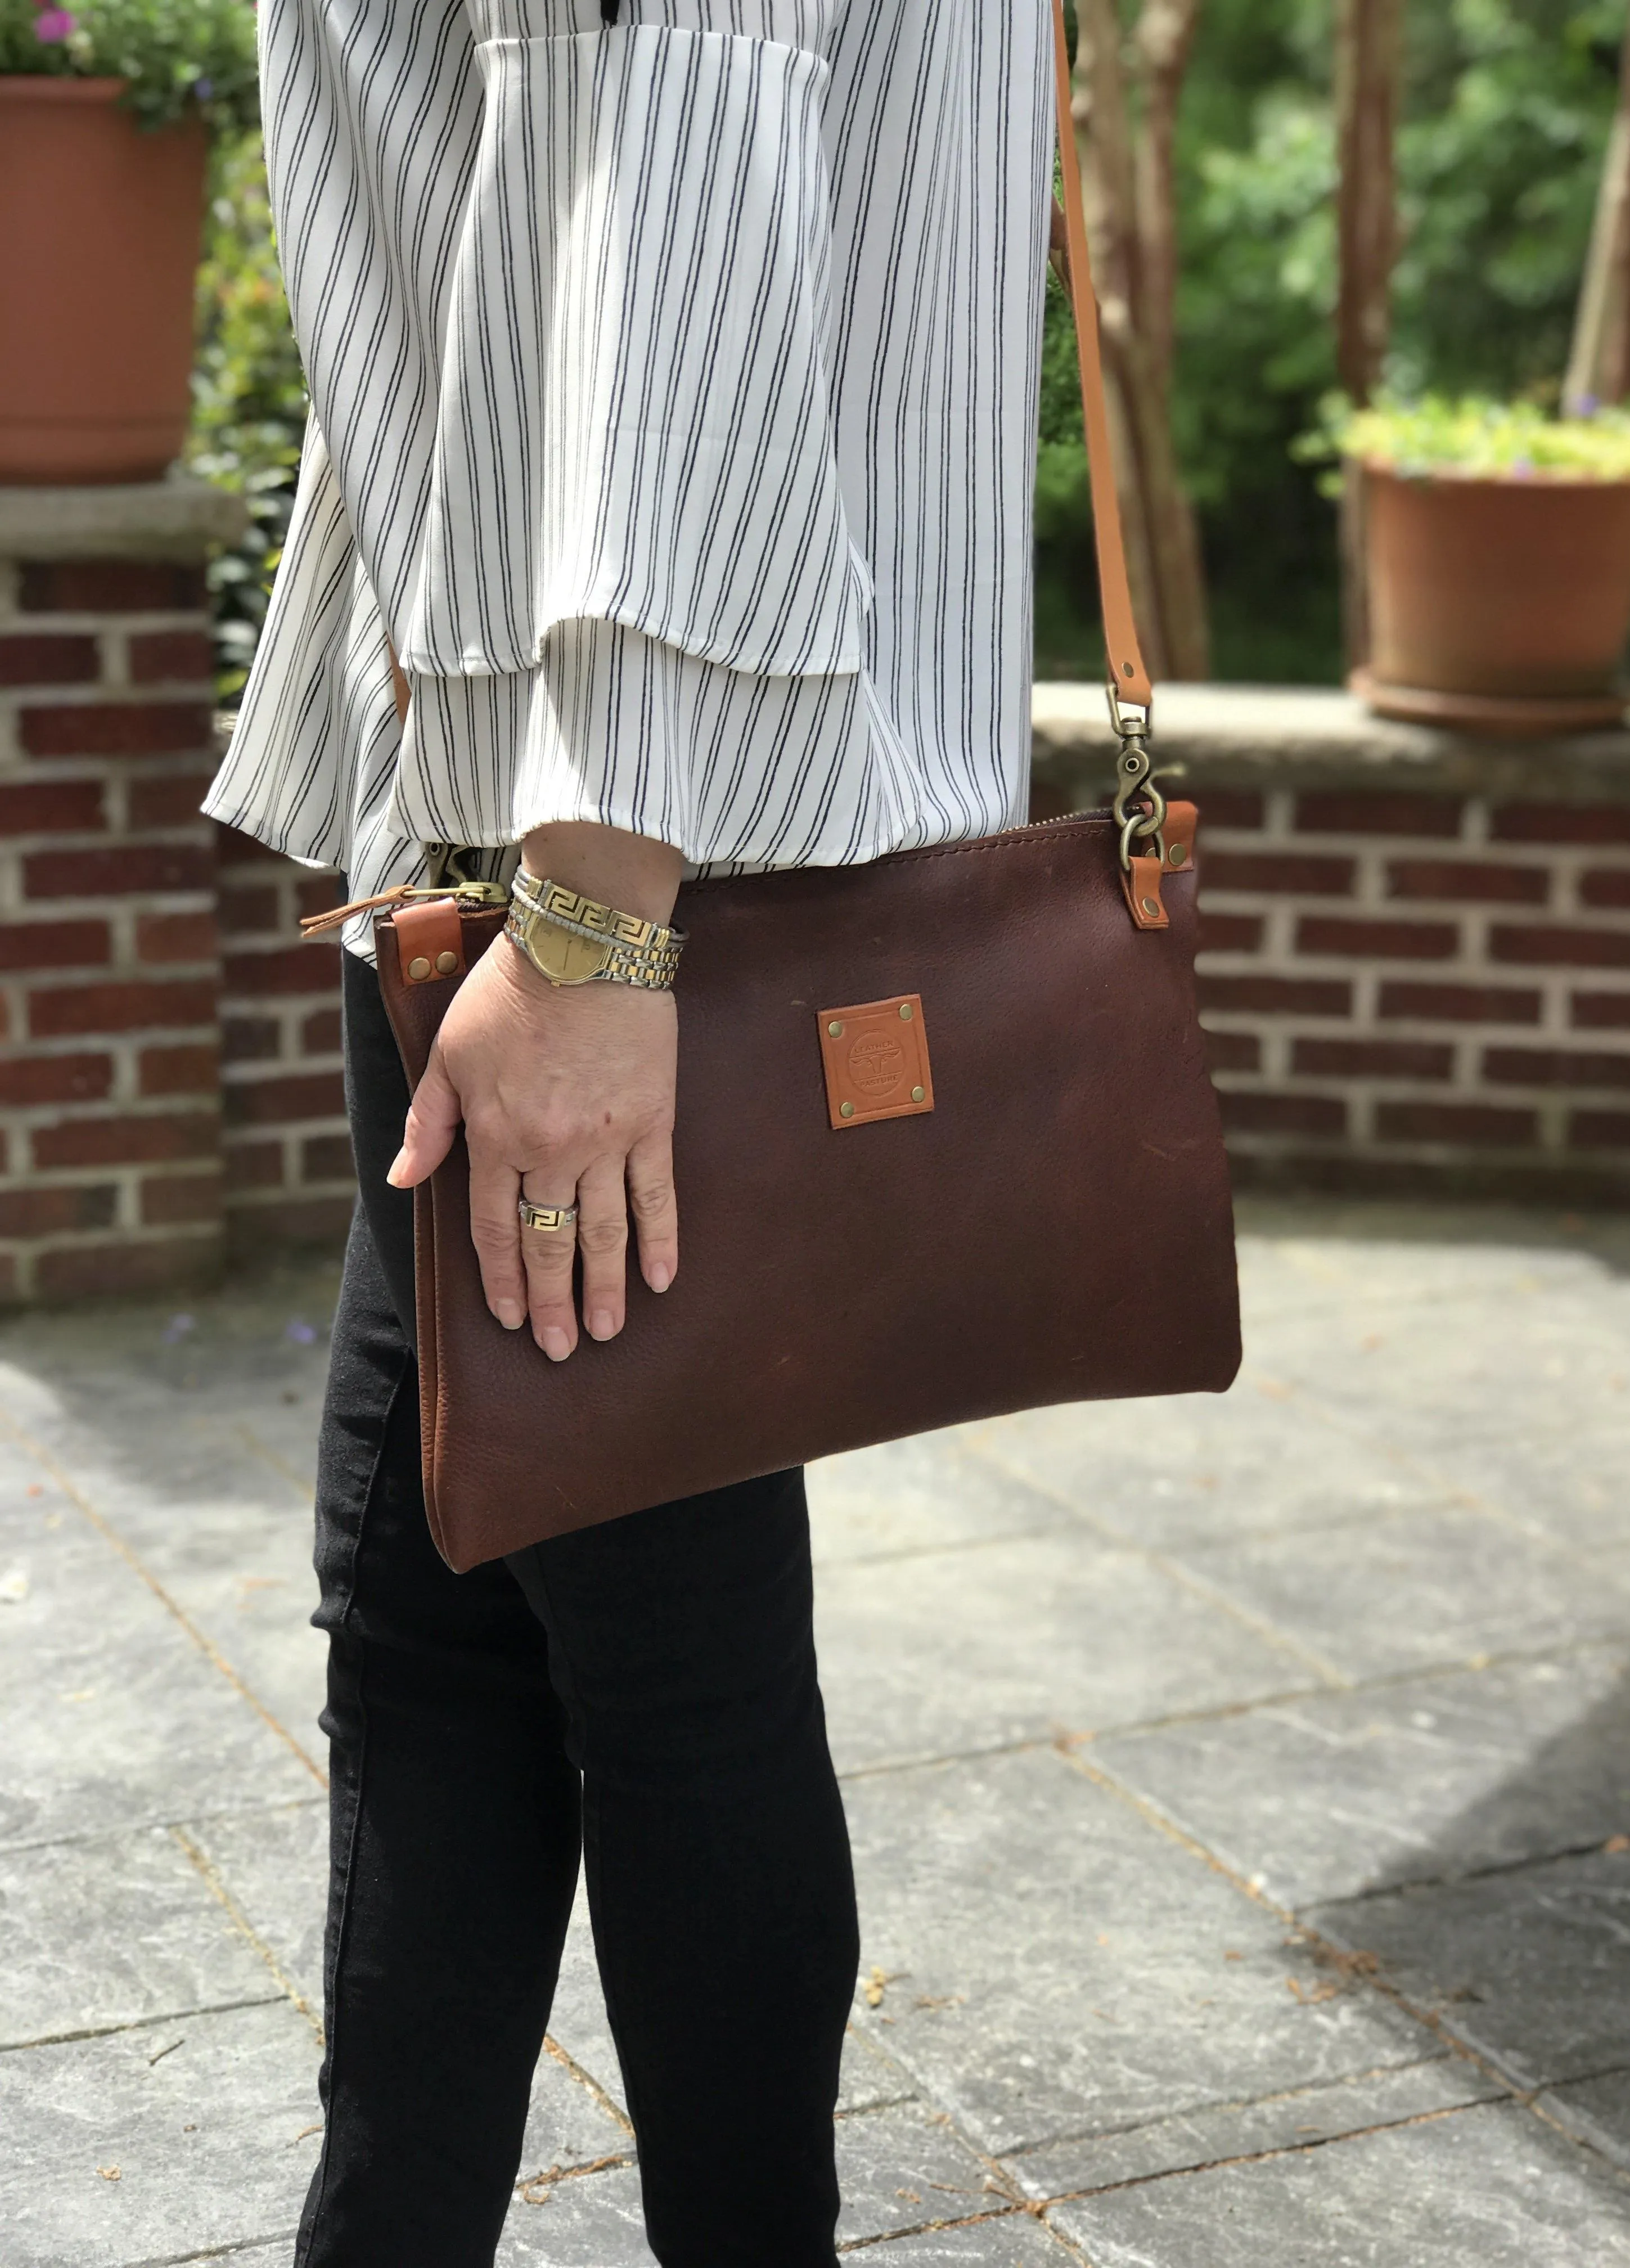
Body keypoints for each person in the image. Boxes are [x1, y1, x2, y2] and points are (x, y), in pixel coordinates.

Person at [206, 1, 1053, 2260]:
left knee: (655, 1677)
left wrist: (595, 917)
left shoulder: (596, 894)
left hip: (596, 846)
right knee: (454, 1625)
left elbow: (665, 202)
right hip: (534, 808)